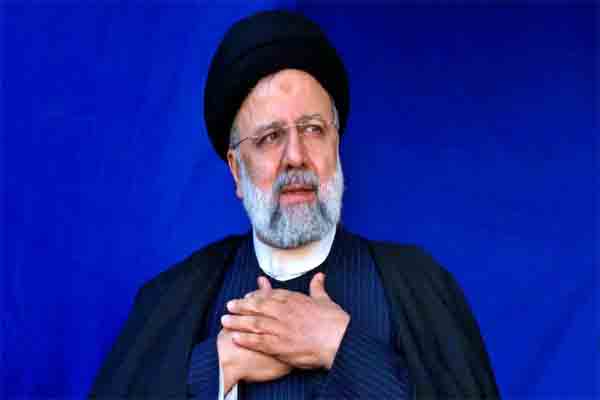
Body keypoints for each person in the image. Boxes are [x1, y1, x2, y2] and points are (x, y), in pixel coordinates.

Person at [90, 10, 499, 400]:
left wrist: (339, 345)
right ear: (236, 170)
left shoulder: (419, 285)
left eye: (313, 129)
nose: (296, 156)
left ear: (336, 145)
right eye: (270, 137)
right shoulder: (170, 300)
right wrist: (215, 369)